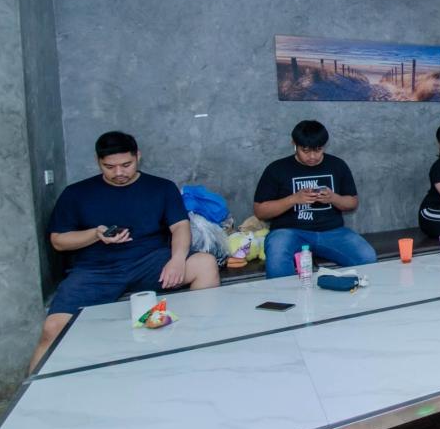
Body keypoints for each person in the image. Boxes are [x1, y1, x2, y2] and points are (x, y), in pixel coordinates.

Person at [30, 131, 219, 371]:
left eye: (126, 165)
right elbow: (58, 241)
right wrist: (95, 234)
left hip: (149, 263)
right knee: (53, 328)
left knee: (205, 263)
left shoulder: (161, 187)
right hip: (95, 271)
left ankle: (202, 342)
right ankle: (32, 387)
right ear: (98, 161)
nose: (119, 172)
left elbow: (180, 226)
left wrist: (177, 259)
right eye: (109, 167)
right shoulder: (76, 193)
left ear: (138, 156)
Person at [254, 120, 377, 277]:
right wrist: (293, 199)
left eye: (318, 150)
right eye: (305, 151)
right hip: (289, 232)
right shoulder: (276, 169)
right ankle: (285, 294)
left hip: (332, 232)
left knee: (367, 256)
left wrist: (333, 198)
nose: (312, 156)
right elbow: (260, 211)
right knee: (277, 259)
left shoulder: (337, 165)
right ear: (294, 144)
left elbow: (352, 202)